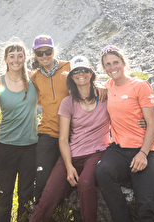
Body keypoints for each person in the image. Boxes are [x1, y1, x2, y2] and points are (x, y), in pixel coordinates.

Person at [30, 55, 110, 222]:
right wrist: (68, 166)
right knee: (48, 195)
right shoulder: (68, 102)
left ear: (91, 73)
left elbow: (124, 111)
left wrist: (141, 121)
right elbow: (63, 139)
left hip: (96, 153)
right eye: (76, 72)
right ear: (71, 77)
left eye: (85, 70)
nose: (81, 74)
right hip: (72, 154)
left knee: (86, 183)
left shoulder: (104, 97)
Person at [96, 45, 154, 222]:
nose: (112, 67)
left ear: (124, 63)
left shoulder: (140, 86)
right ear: (104, 68)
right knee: (102, 172)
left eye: (115, 62)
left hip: (143, 148)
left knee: (146, 208)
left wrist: (143, 154)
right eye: (107, 64)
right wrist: (98, 84)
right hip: (118, 149)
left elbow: (152, 122)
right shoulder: (107, 86)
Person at [0, 42, 38, 222]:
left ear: (25, 58)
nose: (16, 60)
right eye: (12, 56)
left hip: (31, 147)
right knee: (3, 195)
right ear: (6, 59)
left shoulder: (35, 79)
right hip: (5, 146)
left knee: (26, 195)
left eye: (20, 55)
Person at [30, 35, 70, 205]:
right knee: (42, 179)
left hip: (70, 134)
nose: (44, 56)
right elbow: (35, 100)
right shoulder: (36, 77)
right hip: (46, 132)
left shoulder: (69, 67)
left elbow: (89, 83)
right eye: (40, 53)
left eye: (48, 51)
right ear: (35, 55)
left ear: (54, 51)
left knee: (68, 180)